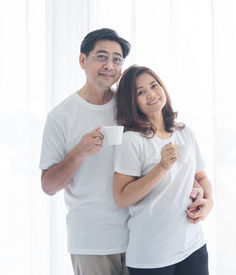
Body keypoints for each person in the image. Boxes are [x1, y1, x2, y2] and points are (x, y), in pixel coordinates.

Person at [39, 29, 205, 275]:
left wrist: (195, 185)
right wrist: (78, 153)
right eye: (101, 57)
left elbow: (163, 147)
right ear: (82, 60)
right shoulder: (60, 117)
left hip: (142, 239)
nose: (110, 65)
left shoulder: (133, 105)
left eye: (117, 59)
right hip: (94, 243)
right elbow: (48, 186)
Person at [113, 65, 214, 275]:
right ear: (131, 102)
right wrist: (161, 168)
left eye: (154, 85)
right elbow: (122, 197)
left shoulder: (184, 131)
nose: (151, 94)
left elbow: (202, 177)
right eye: (140, 92)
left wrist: (208, 202)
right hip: (151, 256)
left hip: (193, 246)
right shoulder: (132, 140)